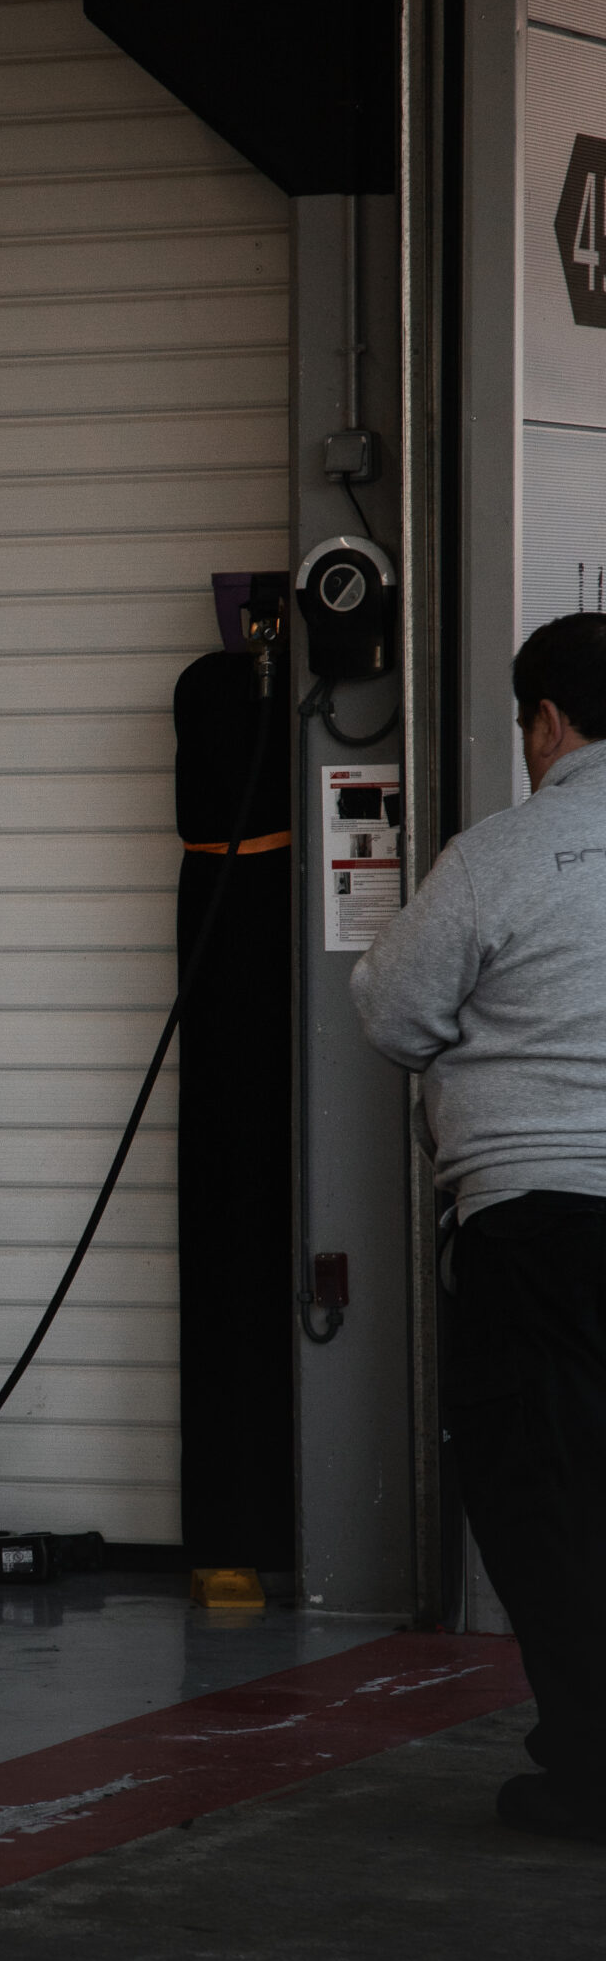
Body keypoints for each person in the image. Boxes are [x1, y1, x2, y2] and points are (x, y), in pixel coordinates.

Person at [352, 611, 606, 1841]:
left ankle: (595, 1767)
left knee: (545, 1499)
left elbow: (397, 1016)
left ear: (547, 722)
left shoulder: (505, 853)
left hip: (539, 1229)